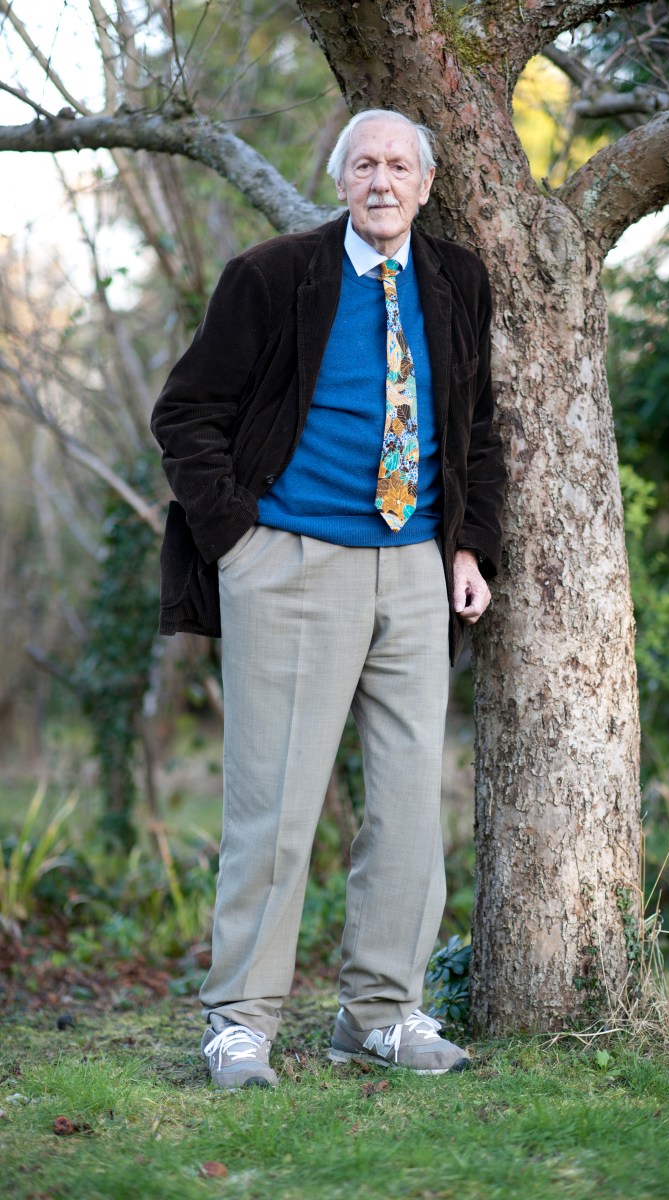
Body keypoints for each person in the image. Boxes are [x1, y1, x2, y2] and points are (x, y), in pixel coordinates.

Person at [151, 108, 505, 1087]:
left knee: (408, 806)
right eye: (364, 165)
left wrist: (470, 546)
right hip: (292, 564)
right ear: (340, 181)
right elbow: (186, 413)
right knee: (274, 808)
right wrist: (239, 543)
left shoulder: (457, 281)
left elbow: (475, 426)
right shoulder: (271, 277)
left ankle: (380, 1015)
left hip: (416, 570)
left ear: (425, 184)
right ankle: (240, 1023)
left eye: (398, 165)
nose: (381, 181)